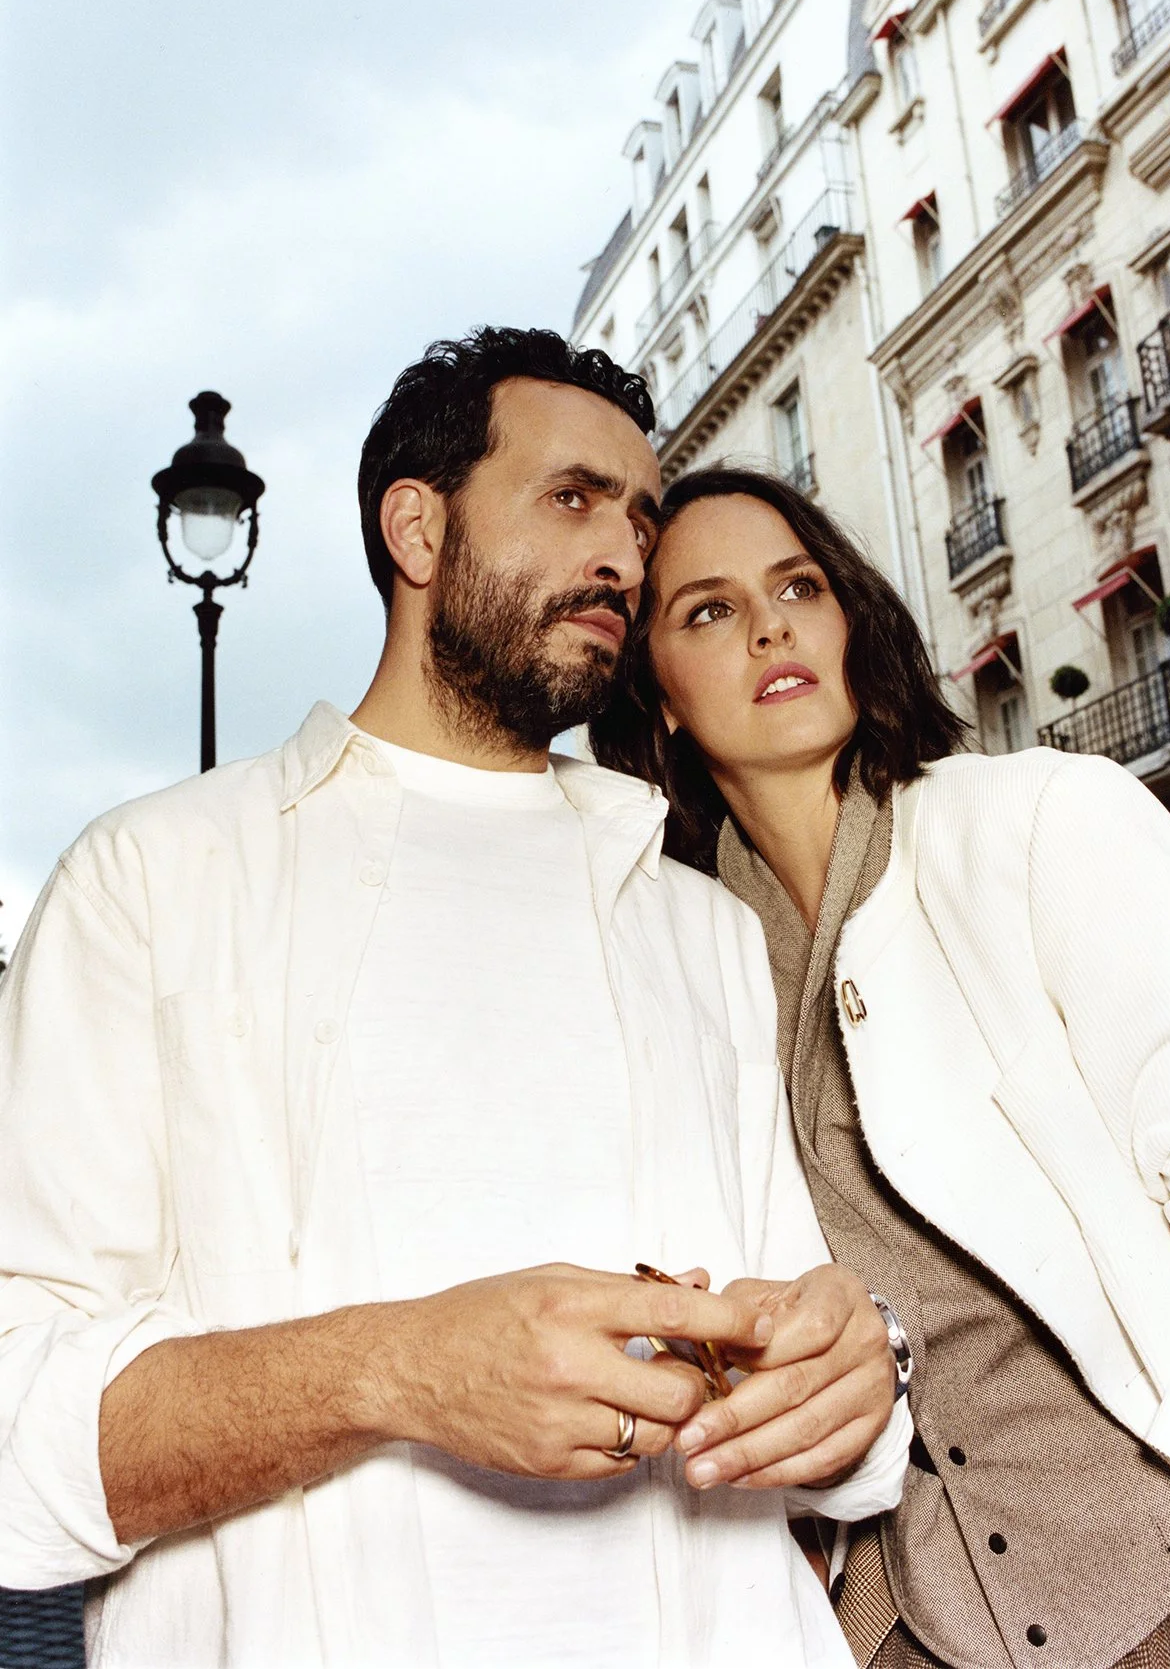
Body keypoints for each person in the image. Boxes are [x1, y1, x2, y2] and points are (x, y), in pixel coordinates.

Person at [0, 333, 909, 1669]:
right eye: (572, 498)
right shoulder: (152, 877)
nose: (623, 555)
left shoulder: (697, 924)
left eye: (638, 518)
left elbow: (806, 1393)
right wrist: (402, 1370)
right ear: (416, 528)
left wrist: (854, 1378)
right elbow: (18, 1446)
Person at [590, 463, 1170, 1669]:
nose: (769, 628)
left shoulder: (1039, 822)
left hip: (1149, 1571)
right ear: (656, 698)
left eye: (796, 587)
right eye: (708, 610)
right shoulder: (680, 970)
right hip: (900, 1622)